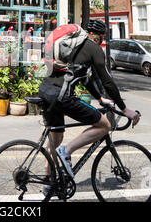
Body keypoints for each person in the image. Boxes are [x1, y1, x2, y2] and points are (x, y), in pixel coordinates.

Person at [39, 19, 140, 186]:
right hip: (62, 96)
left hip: (46, 91)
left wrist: (100, 99)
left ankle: (49, 184)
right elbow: (107, 81)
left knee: (55, 140)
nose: (102, 40)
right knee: (104, 125)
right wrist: (125, 109)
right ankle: (67, 150)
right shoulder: (94, 49)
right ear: (98, 36)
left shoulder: (73, 47)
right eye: (102, 37)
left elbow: (84, 78)